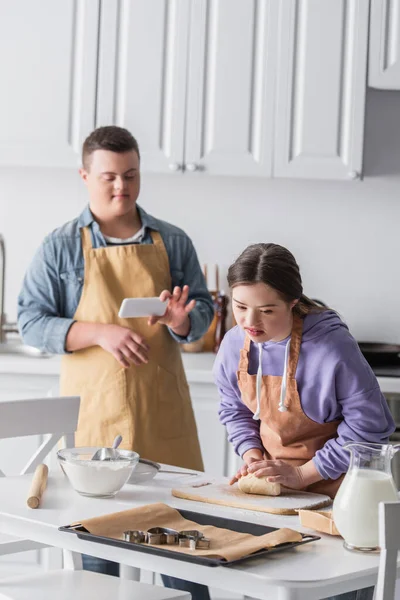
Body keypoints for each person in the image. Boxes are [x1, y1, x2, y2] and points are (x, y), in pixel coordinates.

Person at [18, 125, 213, 600]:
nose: (121, 187)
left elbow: (201, 318)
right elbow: (30, 320)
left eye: (131, 175)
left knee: (188, 553)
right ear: (84, 175)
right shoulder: (61, 246)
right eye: (109, 177)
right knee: (97, 567)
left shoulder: (175, 241)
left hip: (163, 416)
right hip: (95, 421)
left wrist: (180, 321)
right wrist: (98, 332)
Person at [213, 243, 395, 600]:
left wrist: (301, 474)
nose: (250, 322)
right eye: (240, 307)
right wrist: (253, 458)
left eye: (267, 310)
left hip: (337, 499)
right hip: (274, 498)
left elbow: (370, 428)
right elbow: (233, 408)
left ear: (293, 303)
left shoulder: (331, 348)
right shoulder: (235, 344)